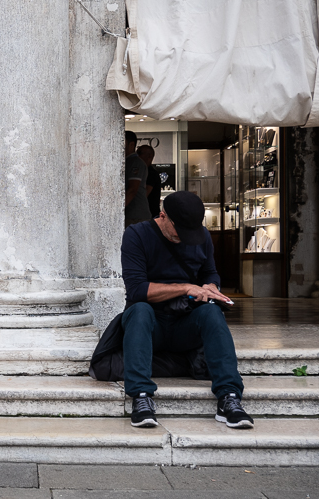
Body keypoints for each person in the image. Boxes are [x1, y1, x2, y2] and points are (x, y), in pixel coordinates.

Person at [120, 191, 253, 429]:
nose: (185, 238)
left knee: (212, 313)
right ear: (163, 216)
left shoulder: (201, 235)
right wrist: (185, 288)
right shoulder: (136, 235)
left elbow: (209, 272)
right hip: (151, 324)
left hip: (185, 322)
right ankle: (141, 397)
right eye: (179, 231)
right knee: (139, 310)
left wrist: (212, 287)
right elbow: (137, 290)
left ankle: (229, 397)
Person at [124, 131, 152, 227]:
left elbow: (132, 190)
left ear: (131, 145)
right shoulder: (126, 161)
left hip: (135, 216)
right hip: (130, 215)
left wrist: (117, 209)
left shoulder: (135, 162)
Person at [137, 145, 161, 219]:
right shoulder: (145, 171)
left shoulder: (151, 173)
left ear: (149, 156)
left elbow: (144, 194)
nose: (137, 156)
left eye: (139, 153)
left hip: (149, 215)